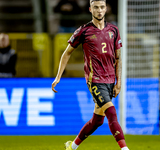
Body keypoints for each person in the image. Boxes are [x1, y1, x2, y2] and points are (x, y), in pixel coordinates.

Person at [52, 0, 129, 150]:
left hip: (110, 80)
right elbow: (66, 53)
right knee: (111, 112)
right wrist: (58, 76)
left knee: (98, 120)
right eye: (96, 7)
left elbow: (118, 58)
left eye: (102, 7)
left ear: (106, 9)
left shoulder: (114, 30)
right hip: (95, 80)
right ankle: (124, 148)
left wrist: (118, 82)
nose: (99, 10)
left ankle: (72, 146)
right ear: (90, 9)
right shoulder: (83, 31)